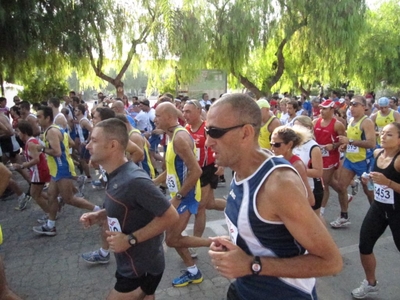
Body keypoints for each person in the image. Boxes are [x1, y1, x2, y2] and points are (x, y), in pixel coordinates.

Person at [206, 93, 342, 300]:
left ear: (245, 133)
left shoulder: (278, 184)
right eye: (208, 131)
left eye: (215, 132)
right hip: (245, 290)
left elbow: (331, 262)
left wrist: (251, 264)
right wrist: (238, 242)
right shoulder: (240, 169)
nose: (208, 142)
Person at [81, 118, 178, 300]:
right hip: (131, 263)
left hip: (140, 268)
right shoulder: (115, 175)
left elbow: (170, 216)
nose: (87, 146)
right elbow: (129, 206)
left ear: (112, 145)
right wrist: (101, 214)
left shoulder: (134, 180)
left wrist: (130, 240)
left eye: (94, 140)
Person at [153, 102, 211, 287]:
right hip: (178, 194)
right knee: (173, 237)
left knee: (171, 238)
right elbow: (172, 169)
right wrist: (153, 183)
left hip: (185, 196)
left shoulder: (179, 138)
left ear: (169, 117)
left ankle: (217, 242)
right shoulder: (172, 136)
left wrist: (177, 198)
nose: (155, 120)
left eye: (158, 116)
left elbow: (196, 171)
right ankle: (193, 271)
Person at [33, 106, 101, 236]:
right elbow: (70, 143)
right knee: (52, 197)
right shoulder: (56, 129)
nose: (37, 120)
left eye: (39, 117)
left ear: (48, 118)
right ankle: (50, 225)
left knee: (69, 199)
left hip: (61, 168)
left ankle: (100, 212)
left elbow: (57, 152)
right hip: (57, 169)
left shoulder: (51, 131)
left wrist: (42, 149)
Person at [351, 122, 400, 299]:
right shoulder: (378, 153)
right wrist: (368, 181)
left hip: (398, 211)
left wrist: (388, 183)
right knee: (364, 245)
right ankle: (370, 284)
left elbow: (386, 182)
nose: (383, 137)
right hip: (379, 208)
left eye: (389, 135)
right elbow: (375, 180)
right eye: (383, 133)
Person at [183, 99, 226, 258]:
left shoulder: (206, 128)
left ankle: (195, 242)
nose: (185, 114)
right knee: (210, 203)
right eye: (184, 111)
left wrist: (221, 165)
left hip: (208, 170)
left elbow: (219, 144)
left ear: (198, 111)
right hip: (193, 170)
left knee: (200, 207)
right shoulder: (186, 129)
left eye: (188, 111)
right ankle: (236, 206)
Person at [331, 96, 376, 228]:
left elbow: (371, 143)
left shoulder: (366, 122)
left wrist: (349, 142)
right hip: (350, 159)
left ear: (364, 107)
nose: (352, 106)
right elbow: (351, 140)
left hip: (365, 161)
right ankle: (344, 216)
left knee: (369, 190)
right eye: (350, 104)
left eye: (355, 104)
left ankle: (377, 216)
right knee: (340, 186)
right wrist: (345, 145)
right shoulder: (350, 120)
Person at [313, 99, 346, 216]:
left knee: (323, 184)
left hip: (331, 157)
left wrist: (334, 145)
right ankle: (344, 193)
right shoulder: (315, 122)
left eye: (325, 108)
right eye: (321, 108)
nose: (321, 111)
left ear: (332, 110)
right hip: (318, 155)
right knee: (333, 183)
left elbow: (344, 141)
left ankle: (320, 211)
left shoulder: (337, 124)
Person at [271, 125, 315, 207]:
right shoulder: (273, 160)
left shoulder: (297, 165)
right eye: (271, 144)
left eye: (276, 145)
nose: (272, 148)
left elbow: (310, 199)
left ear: (289, 145)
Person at [13, 120, 50, 215]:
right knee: (38, 192)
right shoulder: (30, 141)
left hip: (39, 171)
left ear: (24, 132)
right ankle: (55, 201)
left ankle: (50, 214)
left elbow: (36, 160)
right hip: (38, 171)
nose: (17, 134)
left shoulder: (30, 143)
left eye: (18, 131)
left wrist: (22, 165)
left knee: (35, 195)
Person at [293, 116, 324, 214]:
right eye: (294, 127)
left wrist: (297, 170)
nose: (295, 130)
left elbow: (318, 172)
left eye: (299, 127)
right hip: (297, 186)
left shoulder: (313, 147)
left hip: (313, 187)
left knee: (315, 219)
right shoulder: (293, 144)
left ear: (309, 128)